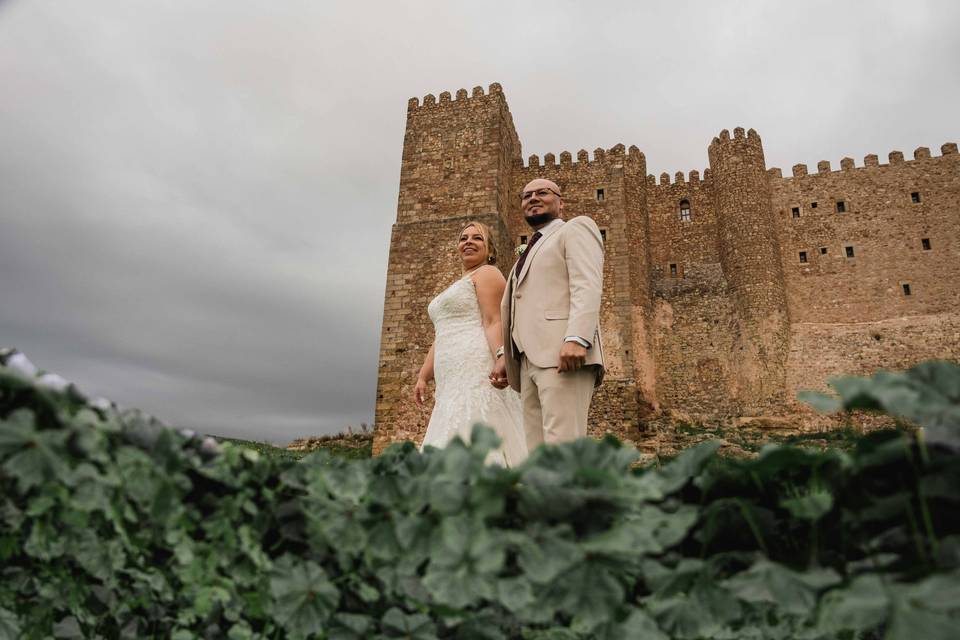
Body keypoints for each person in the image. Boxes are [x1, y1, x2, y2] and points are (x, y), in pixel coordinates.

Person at [490, 179, 605, 452]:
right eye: (526, 195)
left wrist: (578, 338)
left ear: (561, 202)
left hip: (563, 355)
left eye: (542, 193)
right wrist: (509, 355)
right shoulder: (527, 251)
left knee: (563, 448)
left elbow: (587, 284)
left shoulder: (576, 229)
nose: (533, 198)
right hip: (527, 363)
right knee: (538, 455)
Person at [414, 221, 527, 466]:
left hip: (474, 360)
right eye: (463, 238)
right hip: (449, 373)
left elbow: (493, 320)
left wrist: (501, 356)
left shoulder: (487, 273)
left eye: (477, 238)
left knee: (474, 416)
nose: (468, 242)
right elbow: (441, 334)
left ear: (490, 250)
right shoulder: (457, 284)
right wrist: (423, 376)